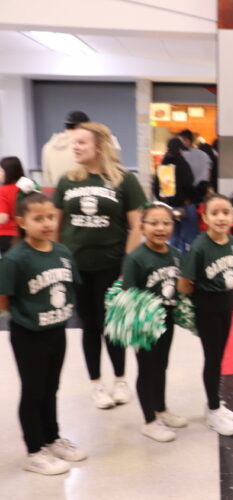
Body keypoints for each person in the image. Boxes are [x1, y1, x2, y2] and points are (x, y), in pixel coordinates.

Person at [54, 122, 147, 410]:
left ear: (99, 146)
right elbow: (56, 225)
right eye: (74, 143)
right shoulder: (68, 181)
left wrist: (126, 264)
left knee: (113, 326)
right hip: (78, 267)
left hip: (111, 266)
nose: (76, 148)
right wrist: (59, 262)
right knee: (89, 327)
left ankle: (120, 380)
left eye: (81, 142)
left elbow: (137, 225)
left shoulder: (124, 180)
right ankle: (96, 384)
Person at [0, 192, 87, 475]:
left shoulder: (62, 253)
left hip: (56, 331)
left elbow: (73, 285)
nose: (47, 223)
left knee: (51, 388)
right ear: (22, 222)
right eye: (38, 218)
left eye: (50, 216)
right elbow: (4, 299)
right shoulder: (15, 259)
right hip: (29, 335)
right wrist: (26, 317)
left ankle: (52, 437)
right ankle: (34, 450)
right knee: (33, 391)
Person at [178, 194, 233, 436]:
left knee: (219, 357)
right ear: (204, 217)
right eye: (214, 213)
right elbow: (185, 283)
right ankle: (214, 411)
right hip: (207, 307)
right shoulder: (199, 247)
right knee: (213, 358)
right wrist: (202, 300)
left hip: (226, 305)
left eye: (226, 212)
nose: (221, 218)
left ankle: (214, 403)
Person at [122, 202, 188, 442]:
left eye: (166, 223)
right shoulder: (136, 258)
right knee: (147, 369)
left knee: (161, 365)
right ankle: (149, 420)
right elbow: (128, 293)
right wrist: (139, 323)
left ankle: (161, 409)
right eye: (154, 223)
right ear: (142, 226)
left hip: (166, 321)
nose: (160, 228)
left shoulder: (175, 254)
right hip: (144, 324)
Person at [153, 138, 196, 252]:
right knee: (188, 238)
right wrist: (190, 199)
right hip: (184, 206)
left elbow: (156, 188)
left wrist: (164, 201)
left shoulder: (163, 165)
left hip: (169, 207)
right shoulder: (182, 164)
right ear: (179, 150)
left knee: (173, 237)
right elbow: (189, 183)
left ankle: (174, 261)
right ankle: (185, 263)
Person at [41, 110, 90, 188]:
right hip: (80, 193)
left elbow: (47, 180)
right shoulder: (82, 145)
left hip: (57, 195)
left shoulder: (48, 146)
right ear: (86, 127)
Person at [0, 156, 25, 254]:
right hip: (24, 233)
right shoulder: (25, 189)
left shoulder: (2, 191)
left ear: (9, 173)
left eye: (1, 171)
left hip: (6, 236)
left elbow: (3, 218)